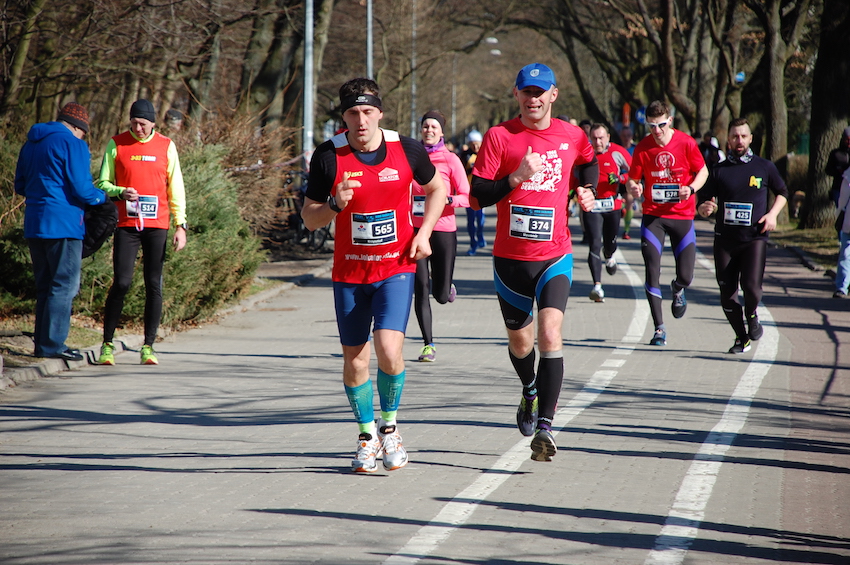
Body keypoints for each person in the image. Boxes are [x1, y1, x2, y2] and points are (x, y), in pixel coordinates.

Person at [301, 78, 447, 473]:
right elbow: (309, 218)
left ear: (380, 112)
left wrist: (424, 233)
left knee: (389, 349)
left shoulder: (407, 149)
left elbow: (438, 188)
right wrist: (334, 205)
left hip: (395, 268)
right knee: (356, 361)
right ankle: (367, 436)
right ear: (344, 117)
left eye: (368, 111)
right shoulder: (328, 156)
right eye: (353, 113)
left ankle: (391, 428)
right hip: (350, 273)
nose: (361, 120)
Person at [470, 63, 598, 462]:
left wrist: (588, 188)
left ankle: (546, 426)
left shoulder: (572, 135)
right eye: (527, 91)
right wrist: (515, 178)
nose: (533, 99)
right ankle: (529, 391)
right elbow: (477, 195)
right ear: (517, 94)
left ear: (553, 95)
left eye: (540, 92)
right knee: (521, 342)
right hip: (511, 260)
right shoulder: (499, 136)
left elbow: (589, 161)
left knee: (550, 334)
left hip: (554, 255)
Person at [14, 103, 112, 361]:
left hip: (35, 223)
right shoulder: (72, 144)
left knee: (45, 286)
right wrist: (102, 198)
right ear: (78, 127)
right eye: (84, 133)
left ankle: (43, 345)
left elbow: (20, 185)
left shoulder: (31, 142)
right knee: (64, 285)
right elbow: (82, 189)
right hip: (64, 223)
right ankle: (53, 345)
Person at [96, 99, 188, 366]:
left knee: (153, 283)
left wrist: (180, 225)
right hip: (127, 225)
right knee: (122, 282)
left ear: (153, 124)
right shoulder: (117, 144)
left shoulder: (166, 146)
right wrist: (120, 192)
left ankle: (148, 346)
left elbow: (176, 187)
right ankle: (107, 344)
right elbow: (102, 182)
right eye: (134, 123)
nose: (138, 128)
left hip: (157, 225)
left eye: (143, 124)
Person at [696, 118, 788, 353]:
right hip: (725, 240)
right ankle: (741, 338)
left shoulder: (764, 167)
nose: (739, 140)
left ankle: (752, 313)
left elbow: (782, 192)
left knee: (751, 288)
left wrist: (772, 215)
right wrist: (704, 208)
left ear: (750, 139)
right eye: (735, 136)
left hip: (754, 238)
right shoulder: (719, 170)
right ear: (728, 140)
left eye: (743, 136)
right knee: (727, 295)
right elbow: (703, 201)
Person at [627, 100, 708, 346]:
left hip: (682, 216)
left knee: (686, 275)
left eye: (661, 125)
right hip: (654, 217)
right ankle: (659, 328)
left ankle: (678, 288)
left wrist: (691, 189)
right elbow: (632, 180)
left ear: (670, 121)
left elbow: (703, 171)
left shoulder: (686, 142)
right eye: (651, 126)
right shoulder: (643, 147)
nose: (657, 131)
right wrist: (634, 187)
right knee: (652, 269)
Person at [412, 110, 470, 362]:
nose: (429, 130)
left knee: (441, 296)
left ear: (441, 132)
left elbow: (467, 196)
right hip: (415, 230)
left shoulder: (450, 159)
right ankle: (428, 344)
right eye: (425, 126)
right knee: (420, 287)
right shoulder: (412, 157)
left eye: (433, 127)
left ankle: (446, 287)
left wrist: (447, 200)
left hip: (443, 229)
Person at [578, 123, 632, 302]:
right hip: (592, 205)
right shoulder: (585, 153)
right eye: (594, 138)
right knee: (594, 243)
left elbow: (635, 172)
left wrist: (620, 178)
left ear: (608, 137)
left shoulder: (618, 152)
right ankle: (597, 287)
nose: (598, 142)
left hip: (612, 205)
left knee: (610, 243)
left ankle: (609, 255)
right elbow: (573, 172)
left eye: (601, 138)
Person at [461, 130, 486, 254]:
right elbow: (460, 172)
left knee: (480, 218)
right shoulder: (465, 155)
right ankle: (473, 243)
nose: (475, 147)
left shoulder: (486, 153)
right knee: (471, 219)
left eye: (477, 144)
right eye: (472, 144)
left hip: (482, 191)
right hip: (469, 192)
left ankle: (480, 236)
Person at [834, 167, 850, 298]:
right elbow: (843, 200)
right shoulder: (848, 175)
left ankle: (842, 286)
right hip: (849, 222)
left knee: (845, 254)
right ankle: (842, 286)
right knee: (845, 253)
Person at [619, 126, 637, 239]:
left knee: (629, 200)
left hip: (629, 179)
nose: (626, 138)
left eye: (628, 136)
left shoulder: (635, 149)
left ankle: (626, 230)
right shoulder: (617, 148)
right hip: (616, 179)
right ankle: (621, 207)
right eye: (624, 136)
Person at [826, 127, 850, 206]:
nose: (849, 142)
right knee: (841, 210)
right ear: (843, 139)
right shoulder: (836, 154)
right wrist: (838, 171)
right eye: (847, 139)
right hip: (838, 188)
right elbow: (828, 170)